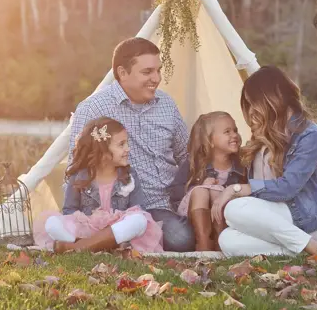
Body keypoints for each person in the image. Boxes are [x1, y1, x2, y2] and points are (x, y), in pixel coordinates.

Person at [68, 38, 194, 251]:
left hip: (161, 205)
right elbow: (77, 165)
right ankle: (102, 240)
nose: (156, 78)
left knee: (183, 238)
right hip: (112, 206)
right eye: (147, 72)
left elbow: (186, 157)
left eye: (158, 70)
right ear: (123, 73)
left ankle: (104, 242)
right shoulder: (93, 109)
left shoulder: (166, 105)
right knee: (177, 239)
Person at [212, 66, 317, 258]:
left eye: (254, 103)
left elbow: (288, 188)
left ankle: (313, 245)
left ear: (272, 98)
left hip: (305, 219)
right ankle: (305, 250)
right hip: (274, 221)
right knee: (228, 240)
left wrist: (236, 189)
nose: (251, 110)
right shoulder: (261, 136)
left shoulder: (310, 135)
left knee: (235, 208)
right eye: (248, 104)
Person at [41, 117, 163, 253]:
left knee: (140, 220)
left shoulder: (129, 176)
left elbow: (139, 208)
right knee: (51, 223)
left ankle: (78, 248)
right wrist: (81, 222)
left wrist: (121, 223)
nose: (127, 149)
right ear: (103, 151)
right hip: (87, 230)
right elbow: (69, 210)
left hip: (116, 232)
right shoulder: (79, 176)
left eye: (126, 143)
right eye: (121, 144)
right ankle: (97, 246)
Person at [169, 112, 246, 251]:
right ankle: (203, 243)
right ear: (210, 140)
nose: (234, 135)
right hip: (195, 212)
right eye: (227, 132)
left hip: (227, 215)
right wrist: (200, 185)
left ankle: (220, 241)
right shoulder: (195, 163)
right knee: (201, 191)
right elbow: (175, 191)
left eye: (235, 130)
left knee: (217, 191)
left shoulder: (241, 165)